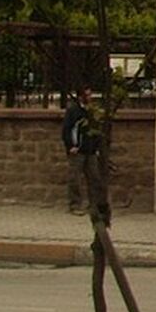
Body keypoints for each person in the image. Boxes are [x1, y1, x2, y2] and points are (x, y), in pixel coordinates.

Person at [60, 86, 97, 215]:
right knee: (74, 178)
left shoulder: (91, 111)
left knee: (93, 177)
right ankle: (75, 204)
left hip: (90, 150)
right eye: (87, 95)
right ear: (81, 97)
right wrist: (70, 146)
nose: (90, 97)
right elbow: (66, 130)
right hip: (77, 150)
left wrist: (96, 147)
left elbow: (95, 130)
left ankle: (94, 204)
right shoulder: (73, 111)